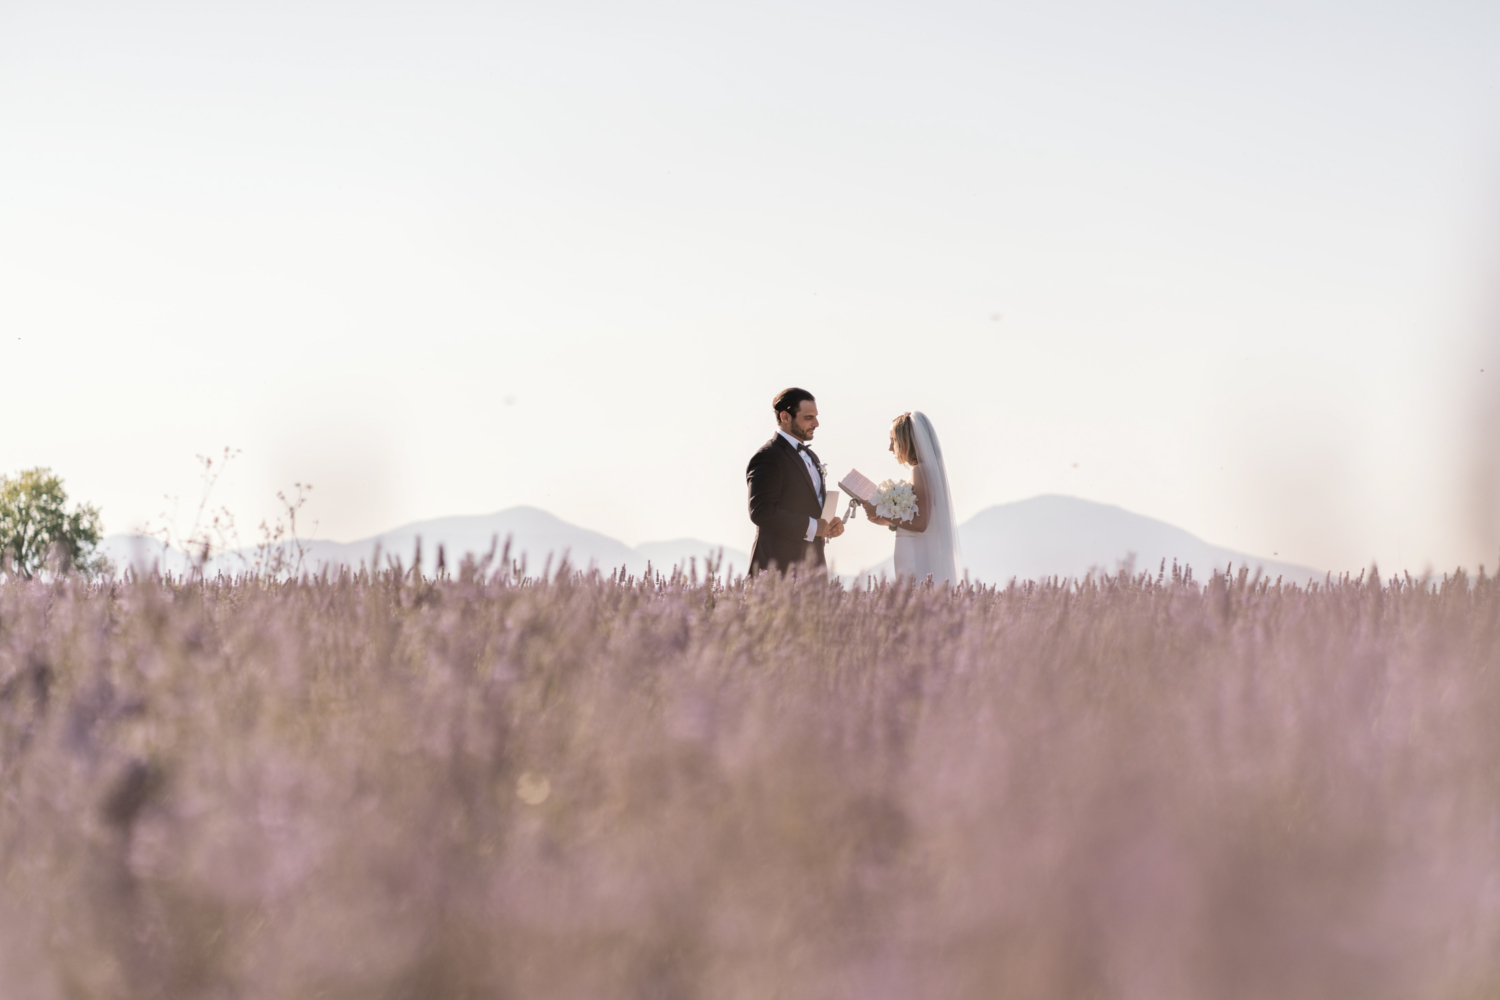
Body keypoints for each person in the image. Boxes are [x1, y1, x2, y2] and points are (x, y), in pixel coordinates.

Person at [746, 387, 845, 575]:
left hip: (813, 569)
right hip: (777, 570)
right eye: (808, 417)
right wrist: (814, 526)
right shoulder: (768, 457)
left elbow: (810, 507)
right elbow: (761, 512)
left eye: (816, 416)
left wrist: (830, 526)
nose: (816, 423)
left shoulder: (812, 457)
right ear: (785, 417)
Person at [861, 411, 959, 585]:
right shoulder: (925, 470)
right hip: (914, 550)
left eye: (893, 440)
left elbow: (921, 524)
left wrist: (880, 510)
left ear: (907, 441)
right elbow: (916, 518)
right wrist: (887, 520)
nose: (890, 447)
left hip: (915, 554)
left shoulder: (920, 471)